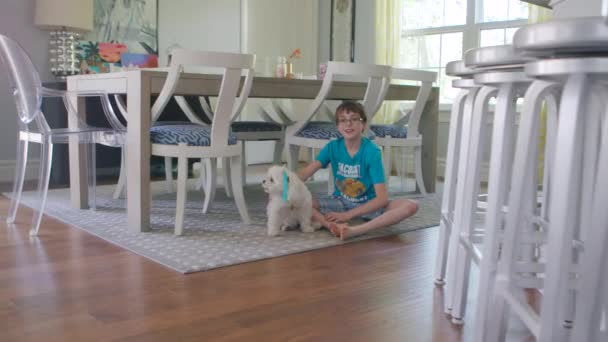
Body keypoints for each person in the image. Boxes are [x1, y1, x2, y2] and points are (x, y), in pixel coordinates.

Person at [297, 101, 419, 240]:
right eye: (343, 120)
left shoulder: (372, 151)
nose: (348, 124)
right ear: (337, 126)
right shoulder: (332, 147)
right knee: (300, 201)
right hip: (340, 201)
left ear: (364, 125)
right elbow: (304, 174)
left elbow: (382, 199)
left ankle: (356, 230)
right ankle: (330, 225)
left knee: (412, 205)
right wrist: (283, 186)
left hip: (369, 204)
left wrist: (347, 216)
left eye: (354, 119)